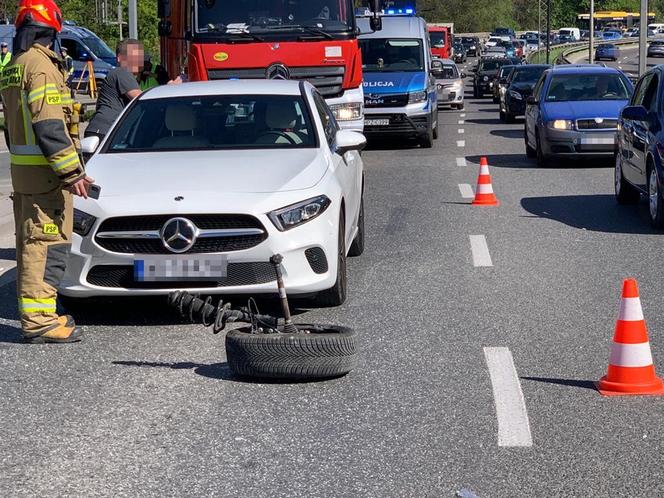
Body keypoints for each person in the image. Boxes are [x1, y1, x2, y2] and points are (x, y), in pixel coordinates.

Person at [0, 0, 94, 343]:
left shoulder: (14, 66)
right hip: (46, 178)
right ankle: (40, 321)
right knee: (47, 246)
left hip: (26, 176)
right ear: (49, 32)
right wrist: (73, 174)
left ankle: (39, 315)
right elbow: (50, 126)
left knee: (30, 245)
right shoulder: (41, 67)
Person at [84, 39, 143, 140]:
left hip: (103, 130)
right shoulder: (122, 72)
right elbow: (140, 98)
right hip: (104, 131)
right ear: (119, 58)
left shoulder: (122, 74)